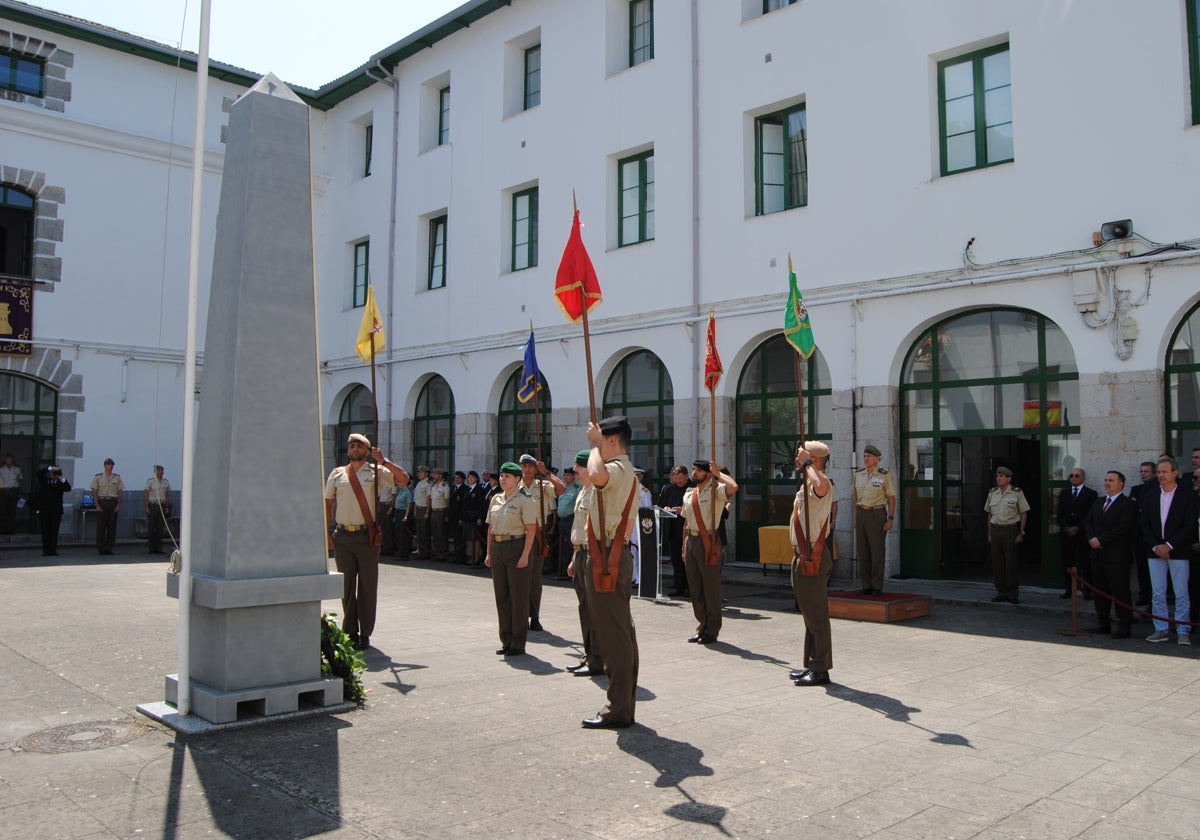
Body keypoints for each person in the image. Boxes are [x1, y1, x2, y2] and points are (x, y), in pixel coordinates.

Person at [581, 415, 640, 729]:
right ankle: (623, 703)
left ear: (612, 441)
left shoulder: (615, 469)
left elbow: (595, 475)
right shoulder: (625, 470)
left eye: (602, 441)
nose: (597, 446)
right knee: (621, 632)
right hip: (611, 554)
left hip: (608, 556)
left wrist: (593, 445)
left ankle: (618, 708)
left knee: (614, 636)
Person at [324, 433, 409, 651]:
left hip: (367, 536)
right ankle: (350, 630)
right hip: (343, 536)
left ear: (367, 450)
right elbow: (328, 504)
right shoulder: (337, 474)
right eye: (351, 445)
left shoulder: (377, 472)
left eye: (359, 446)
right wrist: (326, 532)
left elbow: (404, 480)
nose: (354, 448)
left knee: (367, 586)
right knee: (346, 585)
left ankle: (365, 632)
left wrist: (384, 461)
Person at [788, 441, 835, 687]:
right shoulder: (808, 484)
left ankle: (821, 669)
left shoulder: (821, 483)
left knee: (816, 615)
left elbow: (822, 485)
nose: (797, 460)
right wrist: (807, 466)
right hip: (802, 555)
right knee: (809, 614)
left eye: (802, 457)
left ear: (814, 460)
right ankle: (812, 664)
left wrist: (807, 465)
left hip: (812, 556)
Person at [1140, 457, 1199, 644]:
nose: (1161, 475)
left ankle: (1183, 630)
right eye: (1159, 472)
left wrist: (1170, 546)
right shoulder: (1150, 495)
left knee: (1181, 592)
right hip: (1155, 551)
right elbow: (1145, 524)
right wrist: (1157, 546)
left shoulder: (1187, 495)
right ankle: (1161, 629)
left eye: (1165, 472)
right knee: (1158, 592)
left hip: (1179, 550)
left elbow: (1189, 525)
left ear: (1175, 473)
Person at [681, 459, 739, 645]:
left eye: (698, 470)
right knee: (695, 587)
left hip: (709, 540)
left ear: (707, 473)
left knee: (711, 588)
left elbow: (734, 487)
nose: (694, 472)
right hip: (692, 540)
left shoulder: (716, 491)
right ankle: (702, 625)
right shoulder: (689, 494)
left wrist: (718, 474)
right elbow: (686, 522)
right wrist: (684, 546)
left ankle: (712, 630)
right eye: (693, 469)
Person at [484, 462, 539, 657]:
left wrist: (525, 555)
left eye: (508, 476)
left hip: (517, 546)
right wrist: (489, 552)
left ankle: (518, 642)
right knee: (502, 596)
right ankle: (505, 639)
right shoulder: (496, 499)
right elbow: (490, 528)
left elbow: (531, 529)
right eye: (501, 475)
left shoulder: (525, 500)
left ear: (517, 479)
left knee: (518, 597)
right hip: (499, 547)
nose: (503, 478)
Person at [1084, 471, 1138, 638]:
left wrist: (1101, 540)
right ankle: (1103, 622)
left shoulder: (1127, 504)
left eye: (1111, 480)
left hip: (1117, 556)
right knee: (1100, 591)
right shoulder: (1099, 502)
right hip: (1097, 554)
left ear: (1121, 484)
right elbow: (1088, 522)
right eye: (1106, 480)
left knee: (1120, 591)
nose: (1107, 483)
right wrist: (1091, 538)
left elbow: (1122, 528)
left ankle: (1124, 624)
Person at [564, 451, 603, 676]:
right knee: (584, 608)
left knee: (594, 609)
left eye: (578, 466)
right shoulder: (583, 491)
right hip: (579, 554)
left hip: (591, 555)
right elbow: (578, 528)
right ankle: (589, 654)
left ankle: (598, 659)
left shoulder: (597, 493)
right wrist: (573, 558)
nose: (574, 470)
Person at [518, 453, 564, 632]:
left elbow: (561, 489)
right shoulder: (515, 486)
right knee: (519, 578)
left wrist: (547, 473)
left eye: (531, 466)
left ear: (536, 468)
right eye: (524, 466)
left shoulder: (544, 486)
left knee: (535, 578)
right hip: (519, 535)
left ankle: (534, 616)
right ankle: (519, 615)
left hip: (538, 536)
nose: (527, 469)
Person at [852, 444, 896, 595]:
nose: (866, 459)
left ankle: (877, 586)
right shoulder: (858, 475)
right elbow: (855, 497)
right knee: (863, 552)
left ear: (877, 459)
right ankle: (866, 585)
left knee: (877, 552)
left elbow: (891, 497)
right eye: (864, 456)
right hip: (862, 514)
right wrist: (855, 517)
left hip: (877, 514)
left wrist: (890, 518)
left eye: (869, 456)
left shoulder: (883, 475)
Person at [985, 466, 1029, 604]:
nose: (998, 478)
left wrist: (1021, 532)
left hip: (1010, 530)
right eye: (997, 476)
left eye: (1002, 476)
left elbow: (1024, 512)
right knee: (997, 562)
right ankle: (1001, 591)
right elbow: (989, 514)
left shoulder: (1016, 493)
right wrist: (990, 533)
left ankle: (1012, 593)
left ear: (1008, 478)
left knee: (1010, 562)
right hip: (996, 529)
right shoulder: (992, 493)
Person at [1057, 467, 1097, 600]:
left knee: (1084, 562)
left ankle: (1087, 590)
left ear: (1083, 478)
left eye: (1077, 476)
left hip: (1082, 534)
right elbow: (1059, 514)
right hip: (1066, 534)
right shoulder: (1064, 493)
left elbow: (1090, 515)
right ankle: (1069, 589)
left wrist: (1078, 527)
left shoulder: (1091, 494)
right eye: (1071, 475)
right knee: (1067, 562)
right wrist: (1066, 527)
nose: (1073, 478)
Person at [659, 465, 690, 598]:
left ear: (687, 476)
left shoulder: (692, 489)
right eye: (677, 479)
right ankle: (679, 588)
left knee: (688, 562)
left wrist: (681, 509)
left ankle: (691, 589)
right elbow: (662, 504)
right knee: (676, 561)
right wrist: (666, 508)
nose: (679, 482)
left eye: (682, 479)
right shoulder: (669, 489)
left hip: (687, 529)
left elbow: (696, 507)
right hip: (672, 530)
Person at [1129, 460, 1156, 606]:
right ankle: (1144, 594)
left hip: (1154, 536)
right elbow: (1132, 509)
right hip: (1139, 536)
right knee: (1142, 568)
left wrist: (1138, 505)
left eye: (1146, 471)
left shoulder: (1157, 489)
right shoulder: (1136, 489)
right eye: (1141, 471)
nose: (1143, 474)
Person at [31, 465, 70, 556]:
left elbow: (68, 488)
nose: (54, 474)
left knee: (54, 531)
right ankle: (46, 550)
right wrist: (50, 468)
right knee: (45, 531)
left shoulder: (60, 483)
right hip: (45, 510)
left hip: (56, 511)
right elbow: (38, 473)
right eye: (53, 472)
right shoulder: (45, 481)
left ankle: (53, 550)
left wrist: (62, 478)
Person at [90, 458, 124, 556]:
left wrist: (118, 505)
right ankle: (101, 548)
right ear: (105, 466)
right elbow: (94, 491)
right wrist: (97, 505)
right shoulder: (98, 477)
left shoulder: (117, 478)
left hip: (113, 502)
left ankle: (109, 548)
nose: (111, 466)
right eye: (109, 464)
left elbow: (120, 492)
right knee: (101, 526)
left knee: (112, 527)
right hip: (102, 502)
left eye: (112, 465)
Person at [555, 466, 580, 579]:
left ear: (574, 476)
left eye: (569, 475)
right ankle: (562, 569)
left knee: (570, 546)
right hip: (562, 520)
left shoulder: (576, 488)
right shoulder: (562, 487)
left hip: (571, 519)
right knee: (562, 546)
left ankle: (570, 569)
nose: (566, 477)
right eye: (565, 475)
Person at [143, 464, 171, 555]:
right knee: (151, 527)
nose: (160, 472)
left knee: (160, 528)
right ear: (155, 472)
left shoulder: (165, 482)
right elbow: (146, 494)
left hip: (162, 506)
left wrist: (166, 507)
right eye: (159, 470)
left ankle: (159, 548)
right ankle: (151, 548)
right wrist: (146, 506)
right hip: (153, 505)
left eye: (162, 470)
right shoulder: (151, 482)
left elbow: (167, 495)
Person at [462, 470, 487, 567]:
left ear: (476, 479)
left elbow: (480, 504)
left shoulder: (479, 489)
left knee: (475, 539)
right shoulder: (468, 489)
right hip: (467, 517)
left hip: (474, 517)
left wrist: (479, 517)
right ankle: (471, 557)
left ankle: (476, 558)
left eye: (472, 477)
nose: (470, 479)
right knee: (469, 538)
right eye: (469, 477)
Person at [429, 467, 451, 558]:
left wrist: (447, 514)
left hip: (441, 511)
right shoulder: (433, 485)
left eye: (436, 474)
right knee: (435, 533)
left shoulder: (445, 486)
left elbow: (448, 501)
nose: (434, 476)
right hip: (434, 511)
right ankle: (437, 551)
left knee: (441, 533)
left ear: (441, 475)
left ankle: (443, 553)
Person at [412, 465, 433, 560]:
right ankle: (420, 551)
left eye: (421, 472)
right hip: (418, 508)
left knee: (425, 532)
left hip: (424, 509)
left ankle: (426, 552)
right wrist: (415, 510)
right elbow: (416, 499)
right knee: (419, 532)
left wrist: (427, 512)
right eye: (419, 472)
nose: (419, 473)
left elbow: (429, 498)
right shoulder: (419, 483)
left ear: (426, 473)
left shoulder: (428, 483)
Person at [391, 476, 414, 559]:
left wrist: (406, 516)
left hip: (403, 512)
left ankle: (404, 552)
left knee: (403, 534)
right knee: (398, 533)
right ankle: (399, 550)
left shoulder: (408, 492)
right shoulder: (401, 491)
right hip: (398, 512)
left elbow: (409, 504)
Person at [448, 470, 468, 562]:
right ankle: (456, 556)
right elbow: (450, 503)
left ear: (463, 480)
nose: (456, 480)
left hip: (459, 517)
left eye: (458, 478)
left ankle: (461, 557)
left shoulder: (464, 489)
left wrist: (461, 518)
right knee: (455, 538)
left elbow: (463, 505)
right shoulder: (453, 488)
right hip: (453, 516)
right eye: (455, 478)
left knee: (460, 538)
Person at [0, 452, 22, 534]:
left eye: (11, 459)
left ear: (13, 460)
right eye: (8, 459)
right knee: (3, 511)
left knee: (12, 511)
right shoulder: (1, 470)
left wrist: (20, 492)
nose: (9, 460)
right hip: (3, 491)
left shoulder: (17, 469)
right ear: (5, 460)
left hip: (13, 491)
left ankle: (11, 529)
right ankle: (2, 529)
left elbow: (20, 481)